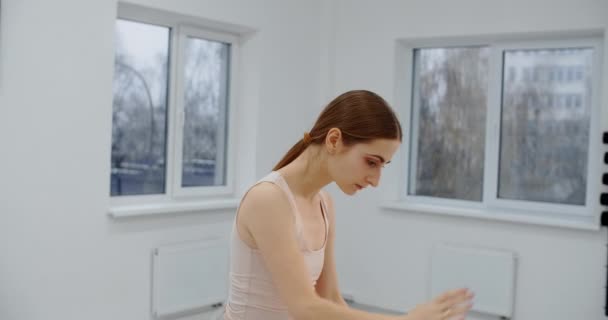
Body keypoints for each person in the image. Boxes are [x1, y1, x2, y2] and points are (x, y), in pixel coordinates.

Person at [222, 90, 474, 320]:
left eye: (382, 166)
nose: (375, 181)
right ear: (334, 140)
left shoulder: (324, 204)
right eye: (371, 162)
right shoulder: (268, 200)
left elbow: (329, 299)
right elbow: (304, 307)